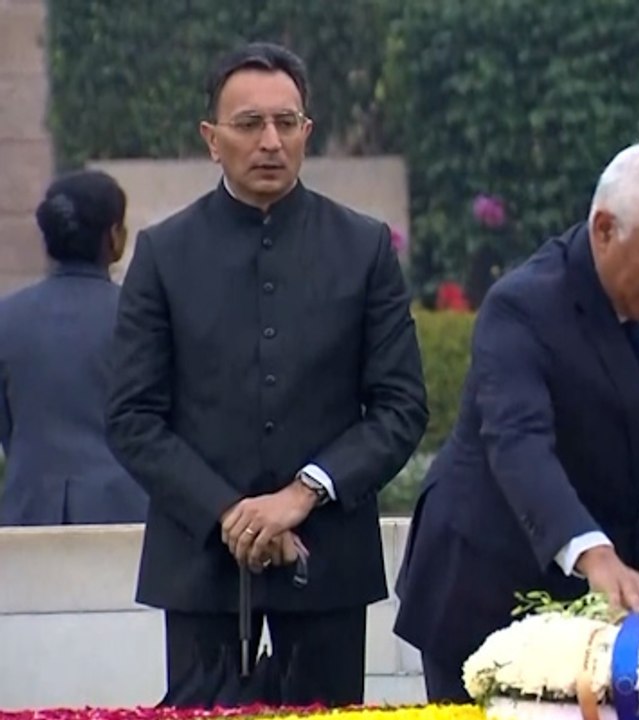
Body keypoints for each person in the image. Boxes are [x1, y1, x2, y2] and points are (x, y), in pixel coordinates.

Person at [105, 42, 429, 706]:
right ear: (211, 138)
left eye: (287, 122)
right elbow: (133, 417)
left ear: (308, 131)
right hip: (200, 565)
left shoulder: (363, 246)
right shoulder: (164, 253)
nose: (271, 142)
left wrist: (304, 494)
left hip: (327, 562)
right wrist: (230, 513)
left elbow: (400, 407)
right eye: (249, 124)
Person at [393, 139, 639, 702]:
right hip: (491, 581)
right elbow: (518, 442)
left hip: (613, 596)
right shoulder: (524, 306)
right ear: (604, 229)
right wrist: (593, 553)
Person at [0, 170, 147, 526]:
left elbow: (7, 427)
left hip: (28, 516)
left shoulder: (7, 317)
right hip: (127, 517)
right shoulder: (143, 318)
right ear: (113, 235)